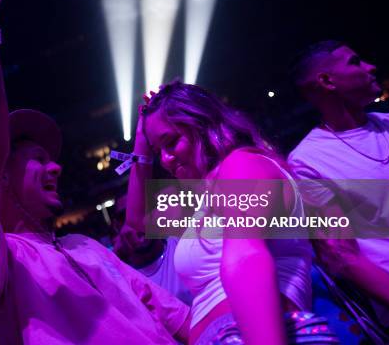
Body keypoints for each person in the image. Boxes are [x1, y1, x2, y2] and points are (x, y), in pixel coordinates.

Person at [0, 0, 191, 344]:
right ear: (2, 179)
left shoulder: (87, 247)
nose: (56, 167)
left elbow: (178, 319)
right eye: (39, 160)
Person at [126, 81, 337, 344]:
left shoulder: (242, 164)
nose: (166, 159)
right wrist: (141, 141)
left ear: (201, 124)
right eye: (159, 151)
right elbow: (137, 224)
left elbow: (245, 256)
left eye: (171, 142)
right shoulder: (204, 199)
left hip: (243, 334)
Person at [288, 40, 389, 336]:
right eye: (355, 62)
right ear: (326, 81)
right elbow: (342, 255)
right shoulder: (307, 161)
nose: (370, 67)